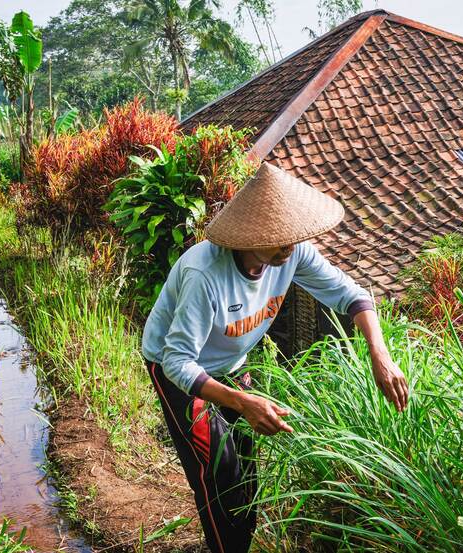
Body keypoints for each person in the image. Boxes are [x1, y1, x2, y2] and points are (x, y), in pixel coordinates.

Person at [141, 162, 409, 553]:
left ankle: (239, 543)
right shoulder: (206, 274)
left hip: (233, 364)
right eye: (279, 238)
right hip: (180, 370)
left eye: (292, 237)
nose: (290, 245)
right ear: (250, 236)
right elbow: (177, 361)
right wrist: (243, 401)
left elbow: (353, 295)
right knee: (219, 473)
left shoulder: (292, 254)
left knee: (248, 468)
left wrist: (379, 353)